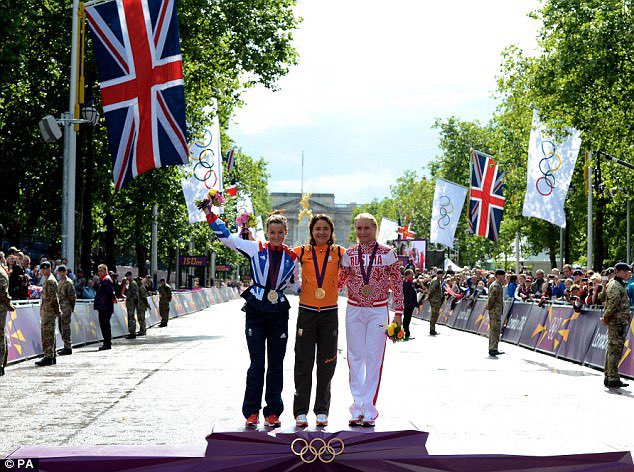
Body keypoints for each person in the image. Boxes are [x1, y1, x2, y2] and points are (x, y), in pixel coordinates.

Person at [201, 200, 299, 429]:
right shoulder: (255, 248)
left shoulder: (292, 257)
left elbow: (296, 285)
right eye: (272, 232)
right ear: (267, 232)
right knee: (257, 364)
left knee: (276, 363)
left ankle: (273, 412)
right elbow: (228, 239)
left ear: (286, 232)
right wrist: (210, 213)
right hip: (256, 309)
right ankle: (251, 412)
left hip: (279, 311)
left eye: (280, 233)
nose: (276, 236)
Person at [339, 213, 404, 427]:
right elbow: (340, 282)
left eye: (367, 228)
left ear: (374, 229)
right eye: (359, 228)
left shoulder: (388, 253)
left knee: (374, 357)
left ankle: (369, 408)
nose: (363, 232)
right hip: (354, 309)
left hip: (378, 310)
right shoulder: (349, 254)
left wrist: (399, 314)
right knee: (355, 357)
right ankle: (357, 406)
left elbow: (397, 284)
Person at [291, 214, 344, 428]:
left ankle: (322, 410)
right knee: (303, 362)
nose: (321, 232)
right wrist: (296, 287)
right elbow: (278, 258)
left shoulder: (340, 252)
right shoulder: (301, 252)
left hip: (330, 313)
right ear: (311, 231)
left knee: (327, 363)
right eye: (317, 228)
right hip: (307, 312)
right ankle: (300, 411)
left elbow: (359, 262)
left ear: (331, 232)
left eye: (325, 229)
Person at [602, 262, 631, 389]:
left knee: (612, 349)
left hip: (618, 321)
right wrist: (606, 318)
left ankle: (609, 375)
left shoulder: (618, 284)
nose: (627, 273)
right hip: (617, 322)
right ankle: (613, 377)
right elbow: (612, 305)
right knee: (615, 350)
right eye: (625, 271)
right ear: (618, 272)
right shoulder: (615, 286)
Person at [35, 261, 61, 367]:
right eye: (42, 269)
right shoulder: (48, 280)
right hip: (47, 311)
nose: (43, 270)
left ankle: (48, 356)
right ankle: (51, 355)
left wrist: (56, 310)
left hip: (48, 311)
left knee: (47, 334)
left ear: (50, 268)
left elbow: (53, 298)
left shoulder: (50, 281)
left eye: (46, 268)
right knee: (49, 333)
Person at [94, 264, 116, 351]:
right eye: (98, 271)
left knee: (105, 325)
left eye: (101, 271)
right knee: (104, 325)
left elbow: (110, 293)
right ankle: (106, 342)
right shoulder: (104, 280)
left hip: (105, 307)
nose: (99, 272)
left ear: (105, 271)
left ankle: (107, 343)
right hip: (104, 306)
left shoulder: (106, 280)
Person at [56, 265, 76, 356]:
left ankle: (68, 346)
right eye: (60, 272)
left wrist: (72, 306)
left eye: (63, 271)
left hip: (66, 306)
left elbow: (72, 296)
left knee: (65, 327)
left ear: (66, 272)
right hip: (61, 306)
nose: (62, 273)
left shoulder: (68, 282)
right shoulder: (60, 282)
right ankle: (66, 345)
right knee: (61, 327)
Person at [0, 263, 15, 376]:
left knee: (0, 336)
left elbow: (3, 292)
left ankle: (1, 365)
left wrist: (9, 304)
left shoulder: (1, 273)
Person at [487, 269, 505, 357]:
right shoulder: (496, 286)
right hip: (495, 311)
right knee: (495, 330)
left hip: (495, 310)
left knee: (494, 330)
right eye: (502, 275)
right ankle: (493, 348)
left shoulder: (497, 285)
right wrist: (489, 307)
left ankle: (493, 347)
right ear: (498, 276)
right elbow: (492, 298)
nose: (504, 277)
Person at [402, 269, 417, 340]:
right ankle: (406, 333)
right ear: (407, 275)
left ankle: (406, 332)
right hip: (408, 304)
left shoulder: (409, 282)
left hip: (409, 304)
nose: (413, 275)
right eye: (411, 274)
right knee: (407, 319)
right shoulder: (407, 282)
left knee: (407, 319)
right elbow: (405, 293)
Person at [124, 271, 140, 339]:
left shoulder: (133, 283)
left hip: (131, 303)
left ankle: (132, 333)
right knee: (130, 317)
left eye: (128, 276)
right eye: (126, 276)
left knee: (131, 318)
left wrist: (133, 302)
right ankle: (131, 332)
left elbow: (135, 294)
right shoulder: (130, 283)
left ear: (130, 276)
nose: (127, 278)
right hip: (130, 303)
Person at [428, 269, 444, 335]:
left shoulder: (438, 281)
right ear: (439, 274)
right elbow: (431, 290)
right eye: (442, 274)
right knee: (434, 315)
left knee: (435, 315)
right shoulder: (435, 281)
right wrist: (431, 298)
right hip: (435, 301)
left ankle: (433, 328)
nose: (442, 276)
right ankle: (432, 329)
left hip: (437, 300)